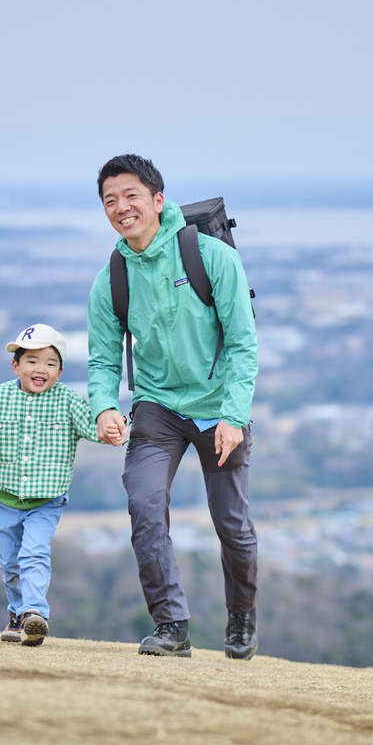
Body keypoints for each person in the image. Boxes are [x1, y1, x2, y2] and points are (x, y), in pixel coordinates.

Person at [86, 154, 260, 660]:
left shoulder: (211, 258)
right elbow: (102, 358)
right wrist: (103, 407)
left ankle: (242, 619)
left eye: (131, 196)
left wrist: (233, 416)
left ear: (158, 201)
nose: (121, 208)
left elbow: (244, 344)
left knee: (232, 523)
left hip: (218, 405)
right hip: (158, 408)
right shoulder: (112, 278)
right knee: (144, 506)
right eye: (110, 201)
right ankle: (171, 627)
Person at [0, 324, 102, 647]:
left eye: (50, 363)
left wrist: (115, 426)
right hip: (4, 497)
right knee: (11, 561)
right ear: (16, 366)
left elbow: (93, 427)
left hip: (46, 500)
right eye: (31, 360)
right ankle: (18, 616)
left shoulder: (69, 401)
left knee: (34, 553)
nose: (40, 369)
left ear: (59, 372)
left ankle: (35, 613)